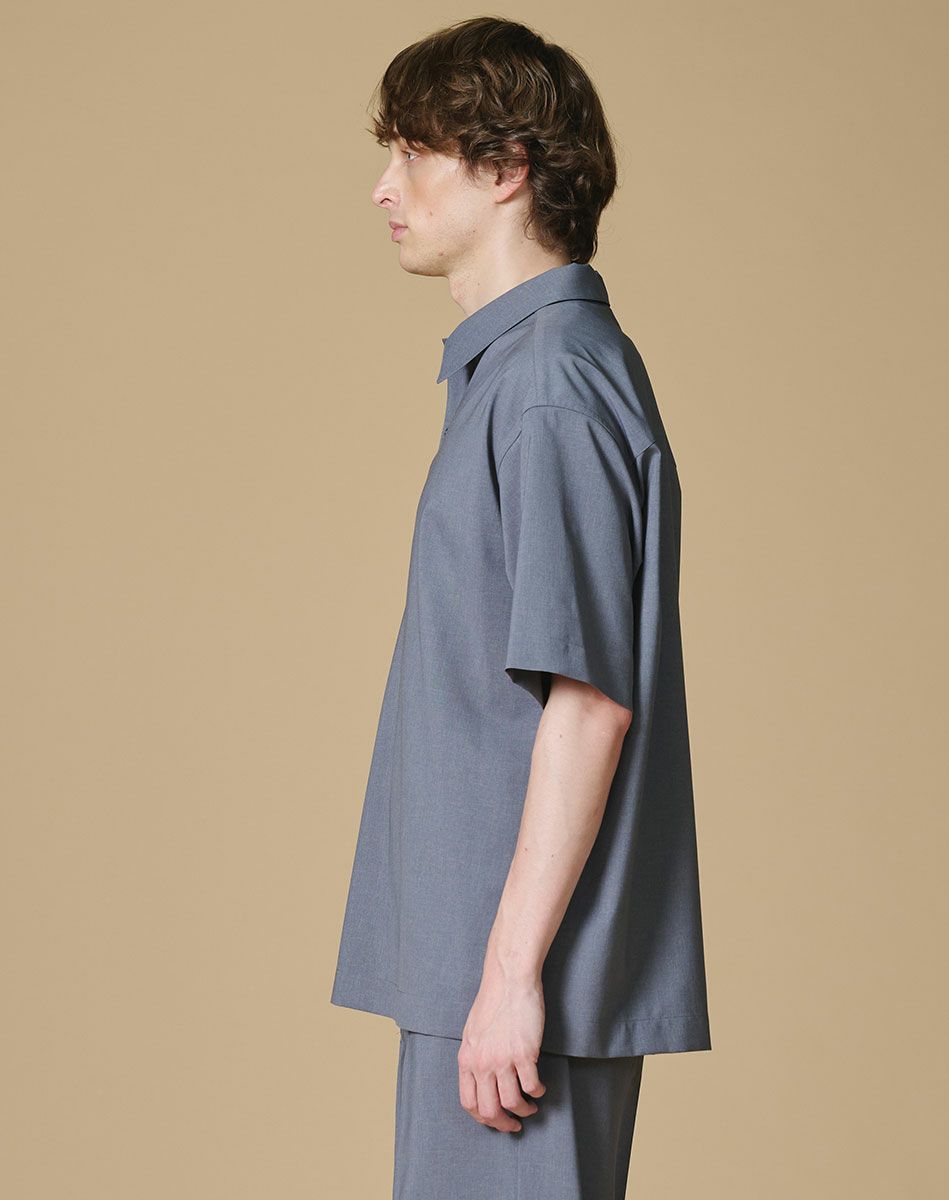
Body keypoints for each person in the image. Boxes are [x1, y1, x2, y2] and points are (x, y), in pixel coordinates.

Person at [329, 17, 712, 1199]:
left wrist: (507, 978)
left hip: (511, 989)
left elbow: (589, 702)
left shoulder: (549, 386)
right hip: (485, 976)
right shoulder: (524, 375)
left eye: (413, 152)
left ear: (505, 167)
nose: (382, 187)